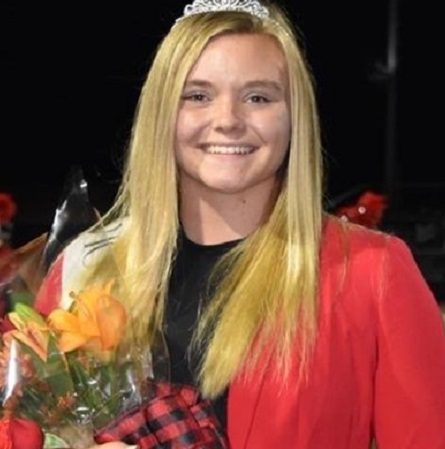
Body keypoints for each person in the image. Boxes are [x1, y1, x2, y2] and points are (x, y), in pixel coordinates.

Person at [34, 0, 445, 448]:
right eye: (197, 96)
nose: (227, 120)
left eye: (258, 97)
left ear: (294, 118)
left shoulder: (372, 273)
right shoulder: (84, 271)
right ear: (162, 115)